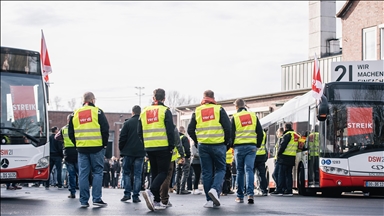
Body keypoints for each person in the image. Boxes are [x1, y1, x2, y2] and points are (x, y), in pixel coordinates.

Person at [187, 90, 231, 208]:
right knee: (221, 169)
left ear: (204, 98)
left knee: (206, 173)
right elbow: (228, 128)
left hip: (203, 145)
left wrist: (197, 141)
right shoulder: (219, 109)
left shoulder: (197, 111)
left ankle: (208, 200)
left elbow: (190, 129)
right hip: (218, 145)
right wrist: (226, 143)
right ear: (213, 98)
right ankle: (215, 190)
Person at [68, 92, 110, 208]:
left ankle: (83, 200)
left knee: (83, 174)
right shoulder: (98, 111)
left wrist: (77, 144)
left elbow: (70, 132)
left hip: (82, 148)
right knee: (97, 172)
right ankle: (97, 198)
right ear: (92, 100)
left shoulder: (75, 113)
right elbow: (105, 129)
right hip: (97, 147)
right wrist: (104, 144)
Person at [138, 88, 175, 211]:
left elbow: (139, 131)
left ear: (153, 98)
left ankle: (157, 201)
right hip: (163, 146)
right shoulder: (165, 111)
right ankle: (151, 191)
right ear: (164, 98)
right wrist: (171, 146)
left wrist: (145, 143)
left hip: (149, 146)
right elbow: (170, 131)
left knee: (155, 173)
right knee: (163, 172)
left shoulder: (144, 111)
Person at [230, 98, 263, 204]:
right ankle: (250, 195)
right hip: (251, 147)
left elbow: (230, 133)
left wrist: (232, 145)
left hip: (239, 147)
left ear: (236, 107)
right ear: (245, 105)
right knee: (249, 170)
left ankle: (239, 196)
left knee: (240, 171)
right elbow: (260, 132)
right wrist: (257, 144)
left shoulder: (235, 117)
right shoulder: (253, 116)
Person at [119, 105, 146, 203]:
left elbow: (122, 138)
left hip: (128, 152)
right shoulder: (143, 123)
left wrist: (122, 149)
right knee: (137, 174)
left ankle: (127, 194)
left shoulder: (127, 123)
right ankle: (135, 196)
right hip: (140, 152)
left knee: (126, 173)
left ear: (132, 112)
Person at [160, 125, 185, 207]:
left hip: (155, 153)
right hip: (169, 156)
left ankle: (156, 198)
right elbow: (178, 143)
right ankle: (164, 199)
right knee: (166, 177)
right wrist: (182, 154)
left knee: (157, 176)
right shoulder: (172, 127)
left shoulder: (156, 125)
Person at [272, 122, 300, 197]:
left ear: (285, 128)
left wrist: (278, 154)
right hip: (292, 157)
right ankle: (289, 190)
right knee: (289, 174)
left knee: (281, 174)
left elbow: (283, 146)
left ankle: (280, 190)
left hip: (284, 157)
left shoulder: (287, 135)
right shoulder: (296, 135)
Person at [55, 114, 79, 198]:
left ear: (67, 120)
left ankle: (72, 192)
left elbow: (56, 137)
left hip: (68, 153)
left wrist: (63, 140)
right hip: (77, 152)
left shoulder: (64, 129)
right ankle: (83, 191)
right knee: (81, 173)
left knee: (71, 174)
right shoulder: (78, 128)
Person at [175, 126, 191, 195]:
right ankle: (182, 189)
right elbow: (187, 148)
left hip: (177, 158)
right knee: (185, 172)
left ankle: (178, 189)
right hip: (184, 157)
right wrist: (188, 156)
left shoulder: (175, 138)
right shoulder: (184, 138)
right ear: (184, 131)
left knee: (178, 173)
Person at [254, 128, 268, 196]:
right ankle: (264, 190)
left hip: (253, 155)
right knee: (262, 174)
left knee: (250, 173)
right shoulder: (264, 133)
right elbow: (264, 143)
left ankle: (248, 190)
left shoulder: (252, 131)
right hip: (262, 155)